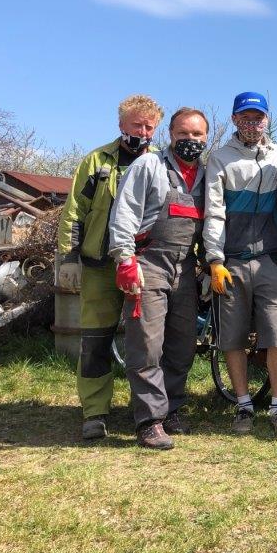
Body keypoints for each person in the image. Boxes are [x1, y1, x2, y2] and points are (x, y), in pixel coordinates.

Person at [56, 94, 162, 440]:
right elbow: (75, 211)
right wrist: (69, 257)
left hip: (144, 266)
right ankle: (95, 412)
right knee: (96, 341)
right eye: (136, 125)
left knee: (146, 344)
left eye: (149, 127)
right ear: (121, 125)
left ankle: (146, 412)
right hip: (100, 266)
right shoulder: (97, 162)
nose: (142, 132)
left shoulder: (160, 164)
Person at [107, 108, 208, 449]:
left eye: (197, 135)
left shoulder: (206, 174)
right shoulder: (149, 165)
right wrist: (125, 259)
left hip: (186, 266)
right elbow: (124, 212)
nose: (190, 140)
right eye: (183, 133)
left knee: (182, 343)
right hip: (148, 262)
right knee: (146, 344)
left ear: (206, 138)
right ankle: (149, 420)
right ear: (170, 135)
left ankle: (171, 409)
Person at [204, 92, 277, 437]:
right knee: (233, 336)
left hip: (269, 257)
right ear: (234, 120)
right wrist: (215, 258)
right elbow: (214, 211)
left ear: (267, 120)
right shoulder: (220, 158)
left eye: (258, 118)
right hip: (232, 260)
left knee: (276, 334)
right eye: (245, 118)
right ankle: (243, 405)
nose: (252, 124)